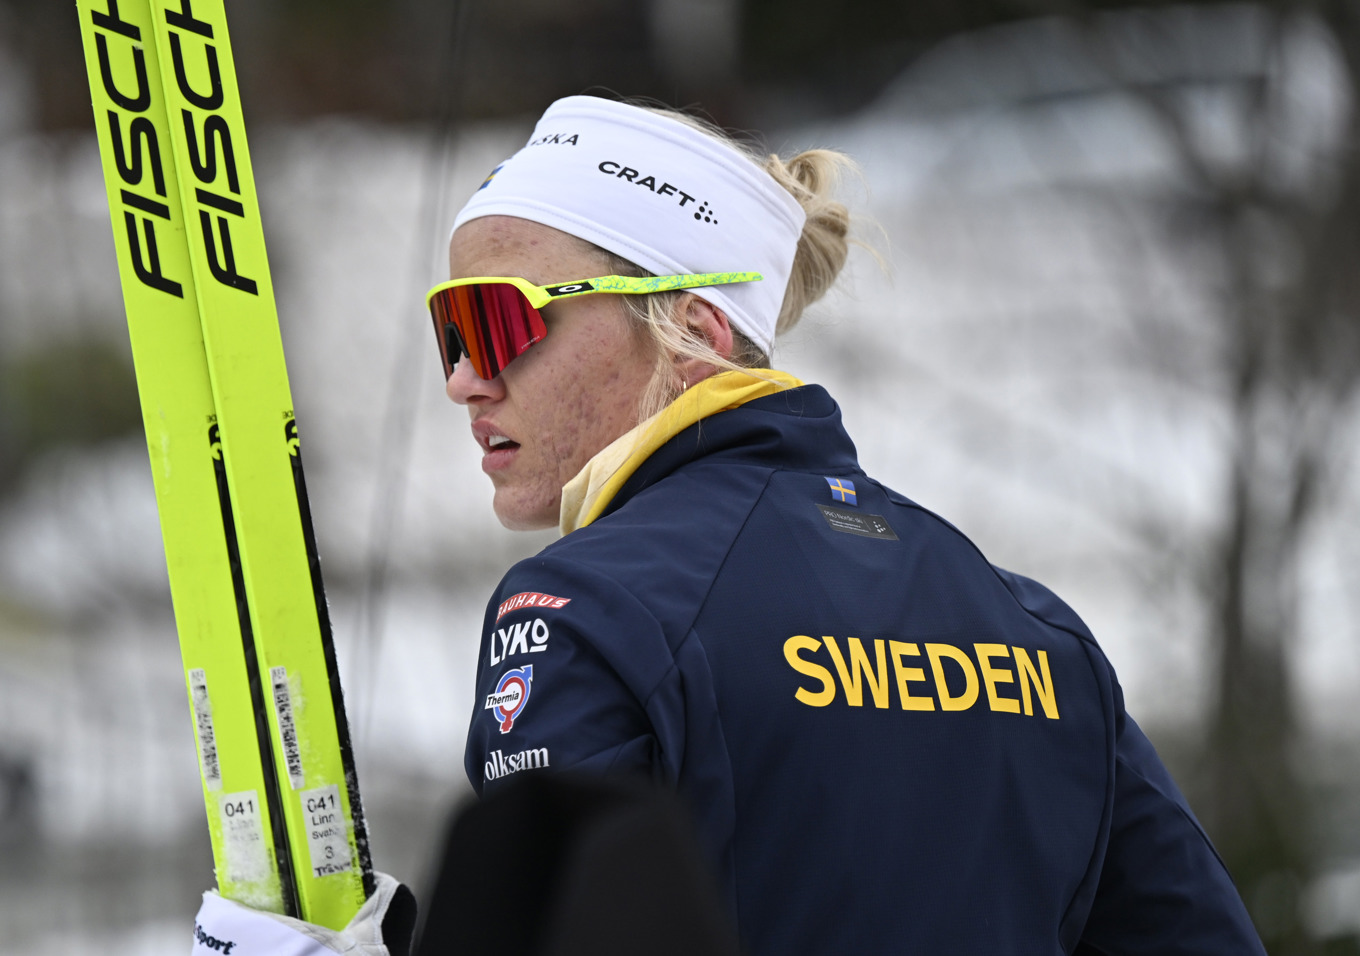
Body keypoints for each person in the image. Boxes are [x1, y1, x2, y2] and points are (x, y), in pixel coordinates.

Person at [194, 95, 1266, 954]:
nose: (466, 379)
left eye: (499, 319)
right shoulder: (1038, 631)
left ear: (691, 326)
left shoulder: (585, 606)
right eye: (449, 327)